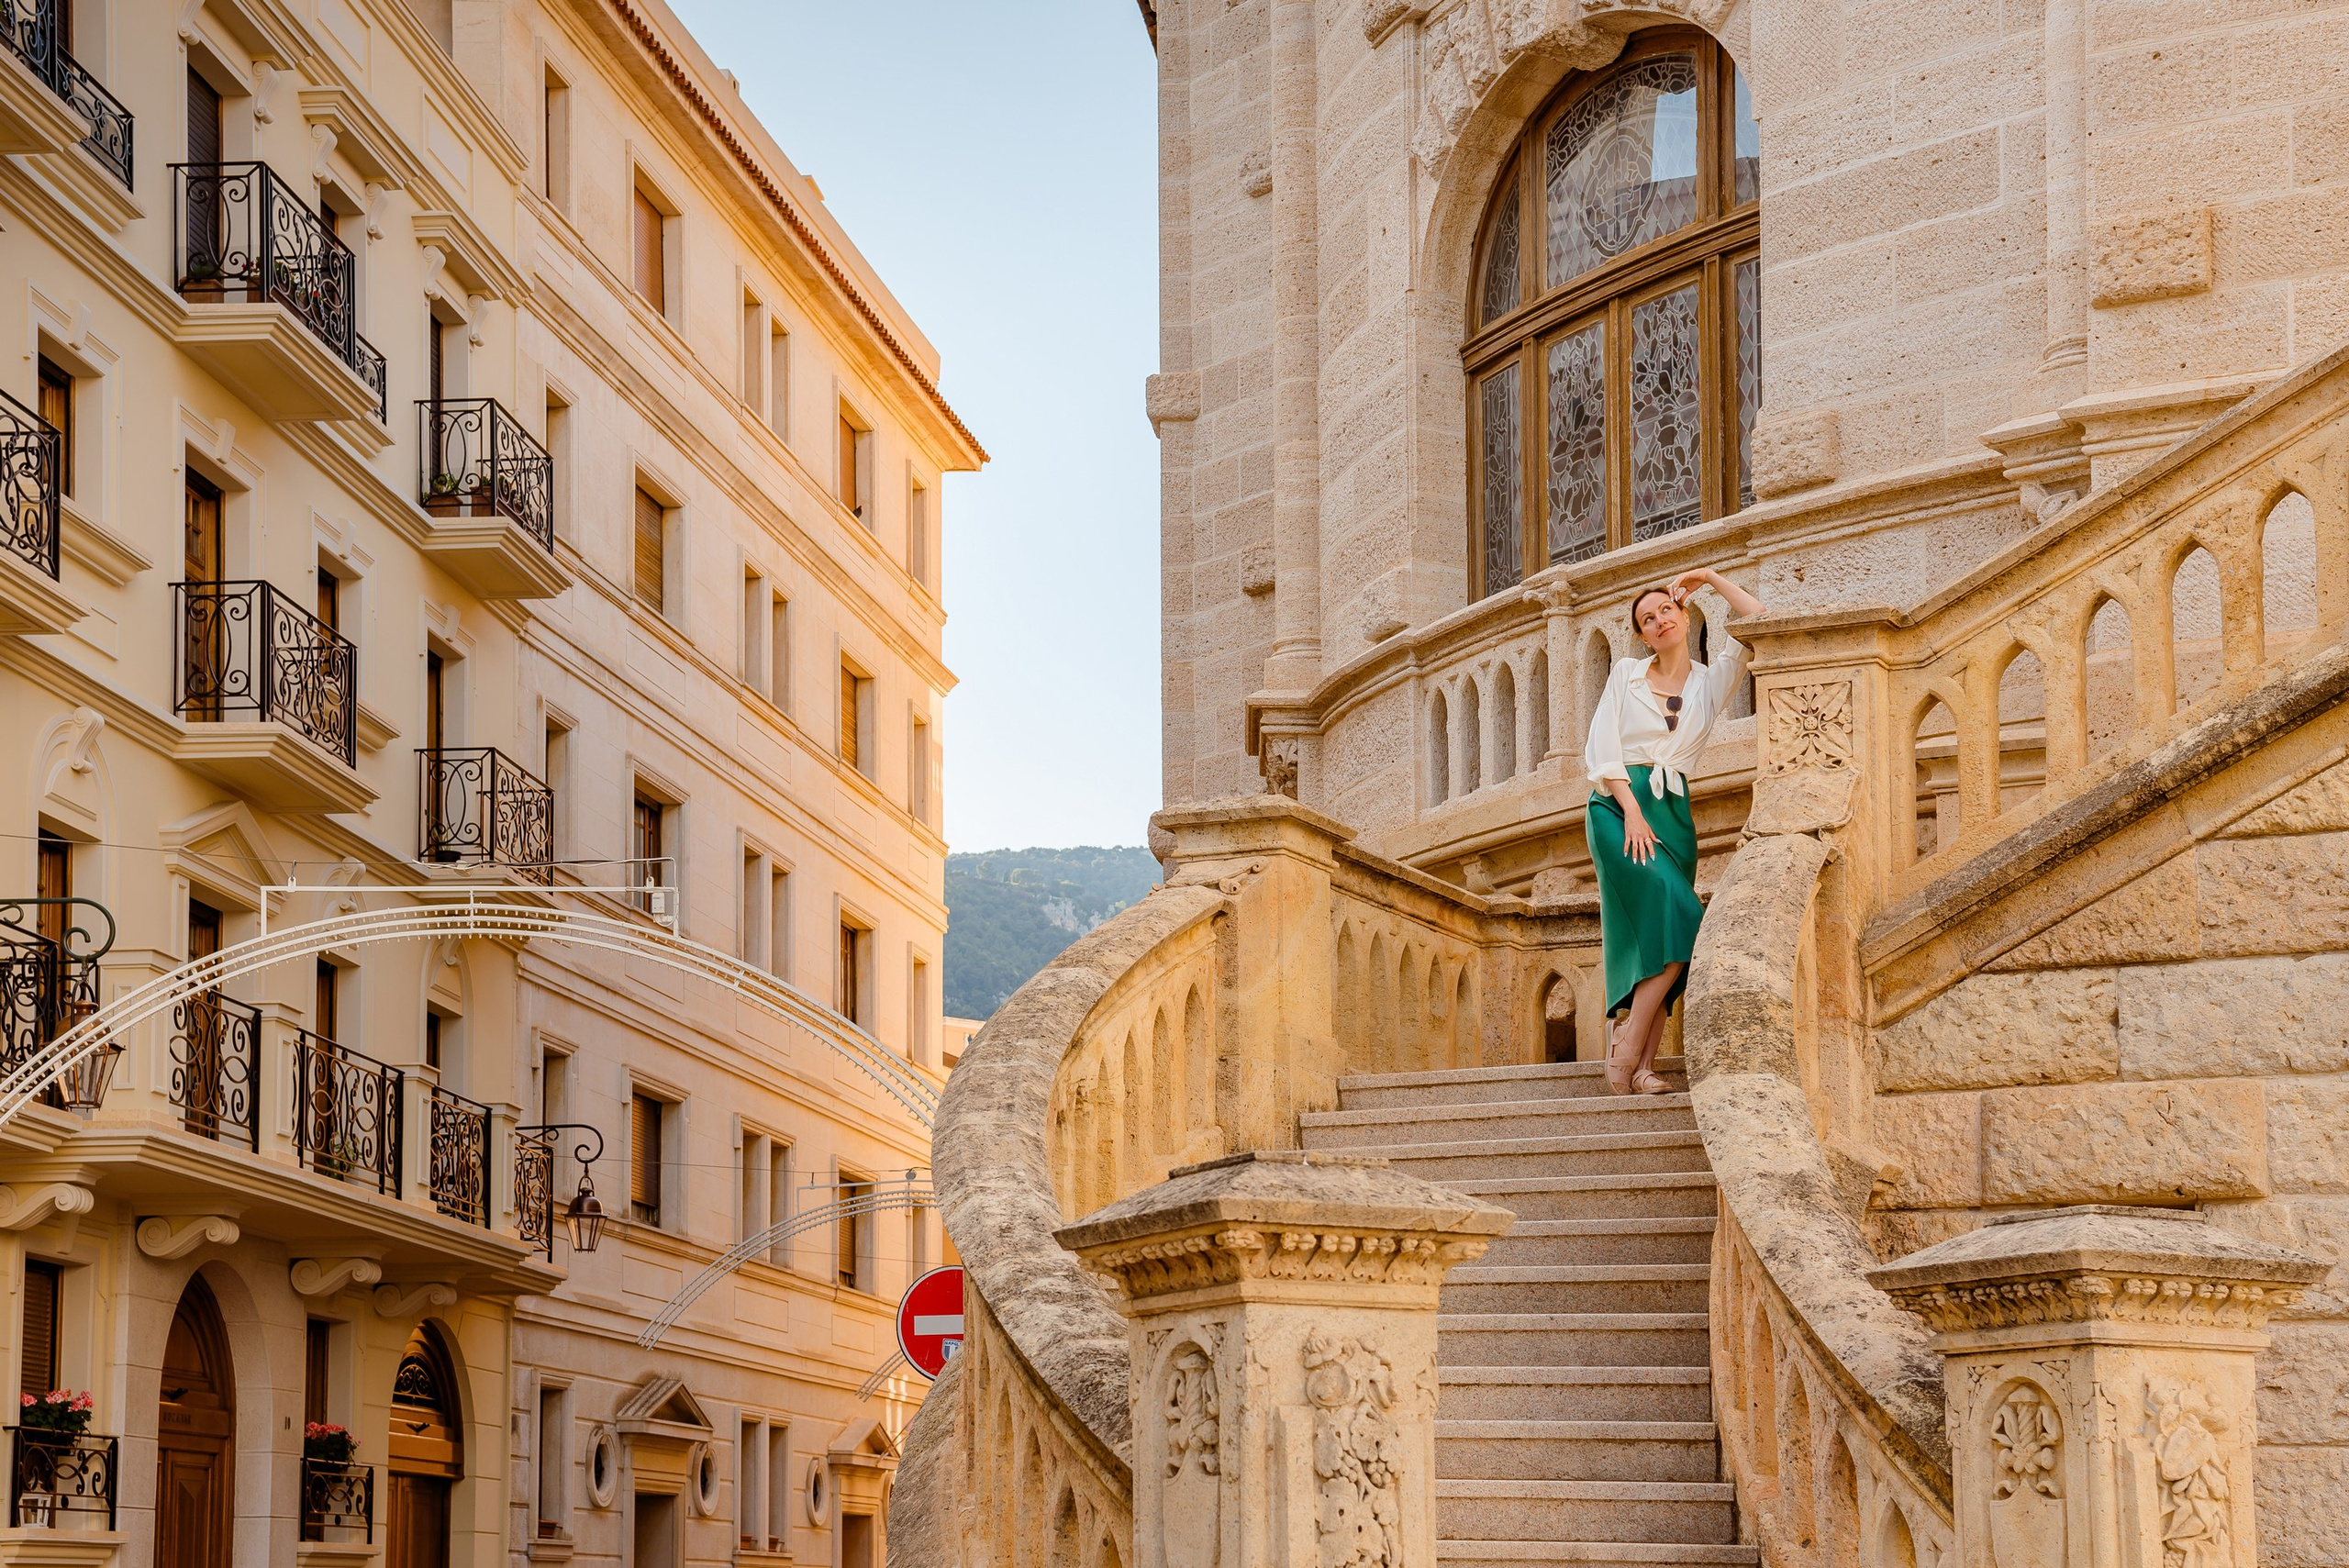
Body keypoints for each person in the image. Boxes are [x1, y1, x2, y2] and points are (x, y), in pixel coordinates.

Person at [1582, 567, 1766, 1094]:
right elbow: (1602, 749)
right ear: (1640, 635)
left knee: (1665, 937)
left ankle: (1642, 1068)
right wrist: (1632, 810)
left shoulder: (1712, 679)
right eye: (1647, 619)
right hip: (1618, 809)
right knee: (1680, 912)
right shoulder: (1626, 675)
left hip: (1674, 815)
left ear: (1684, 616)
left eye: (1666, 610)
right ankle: (1623, 1055)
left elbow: (1759, 618)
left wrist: (1708, 578)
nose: (1659, 620)